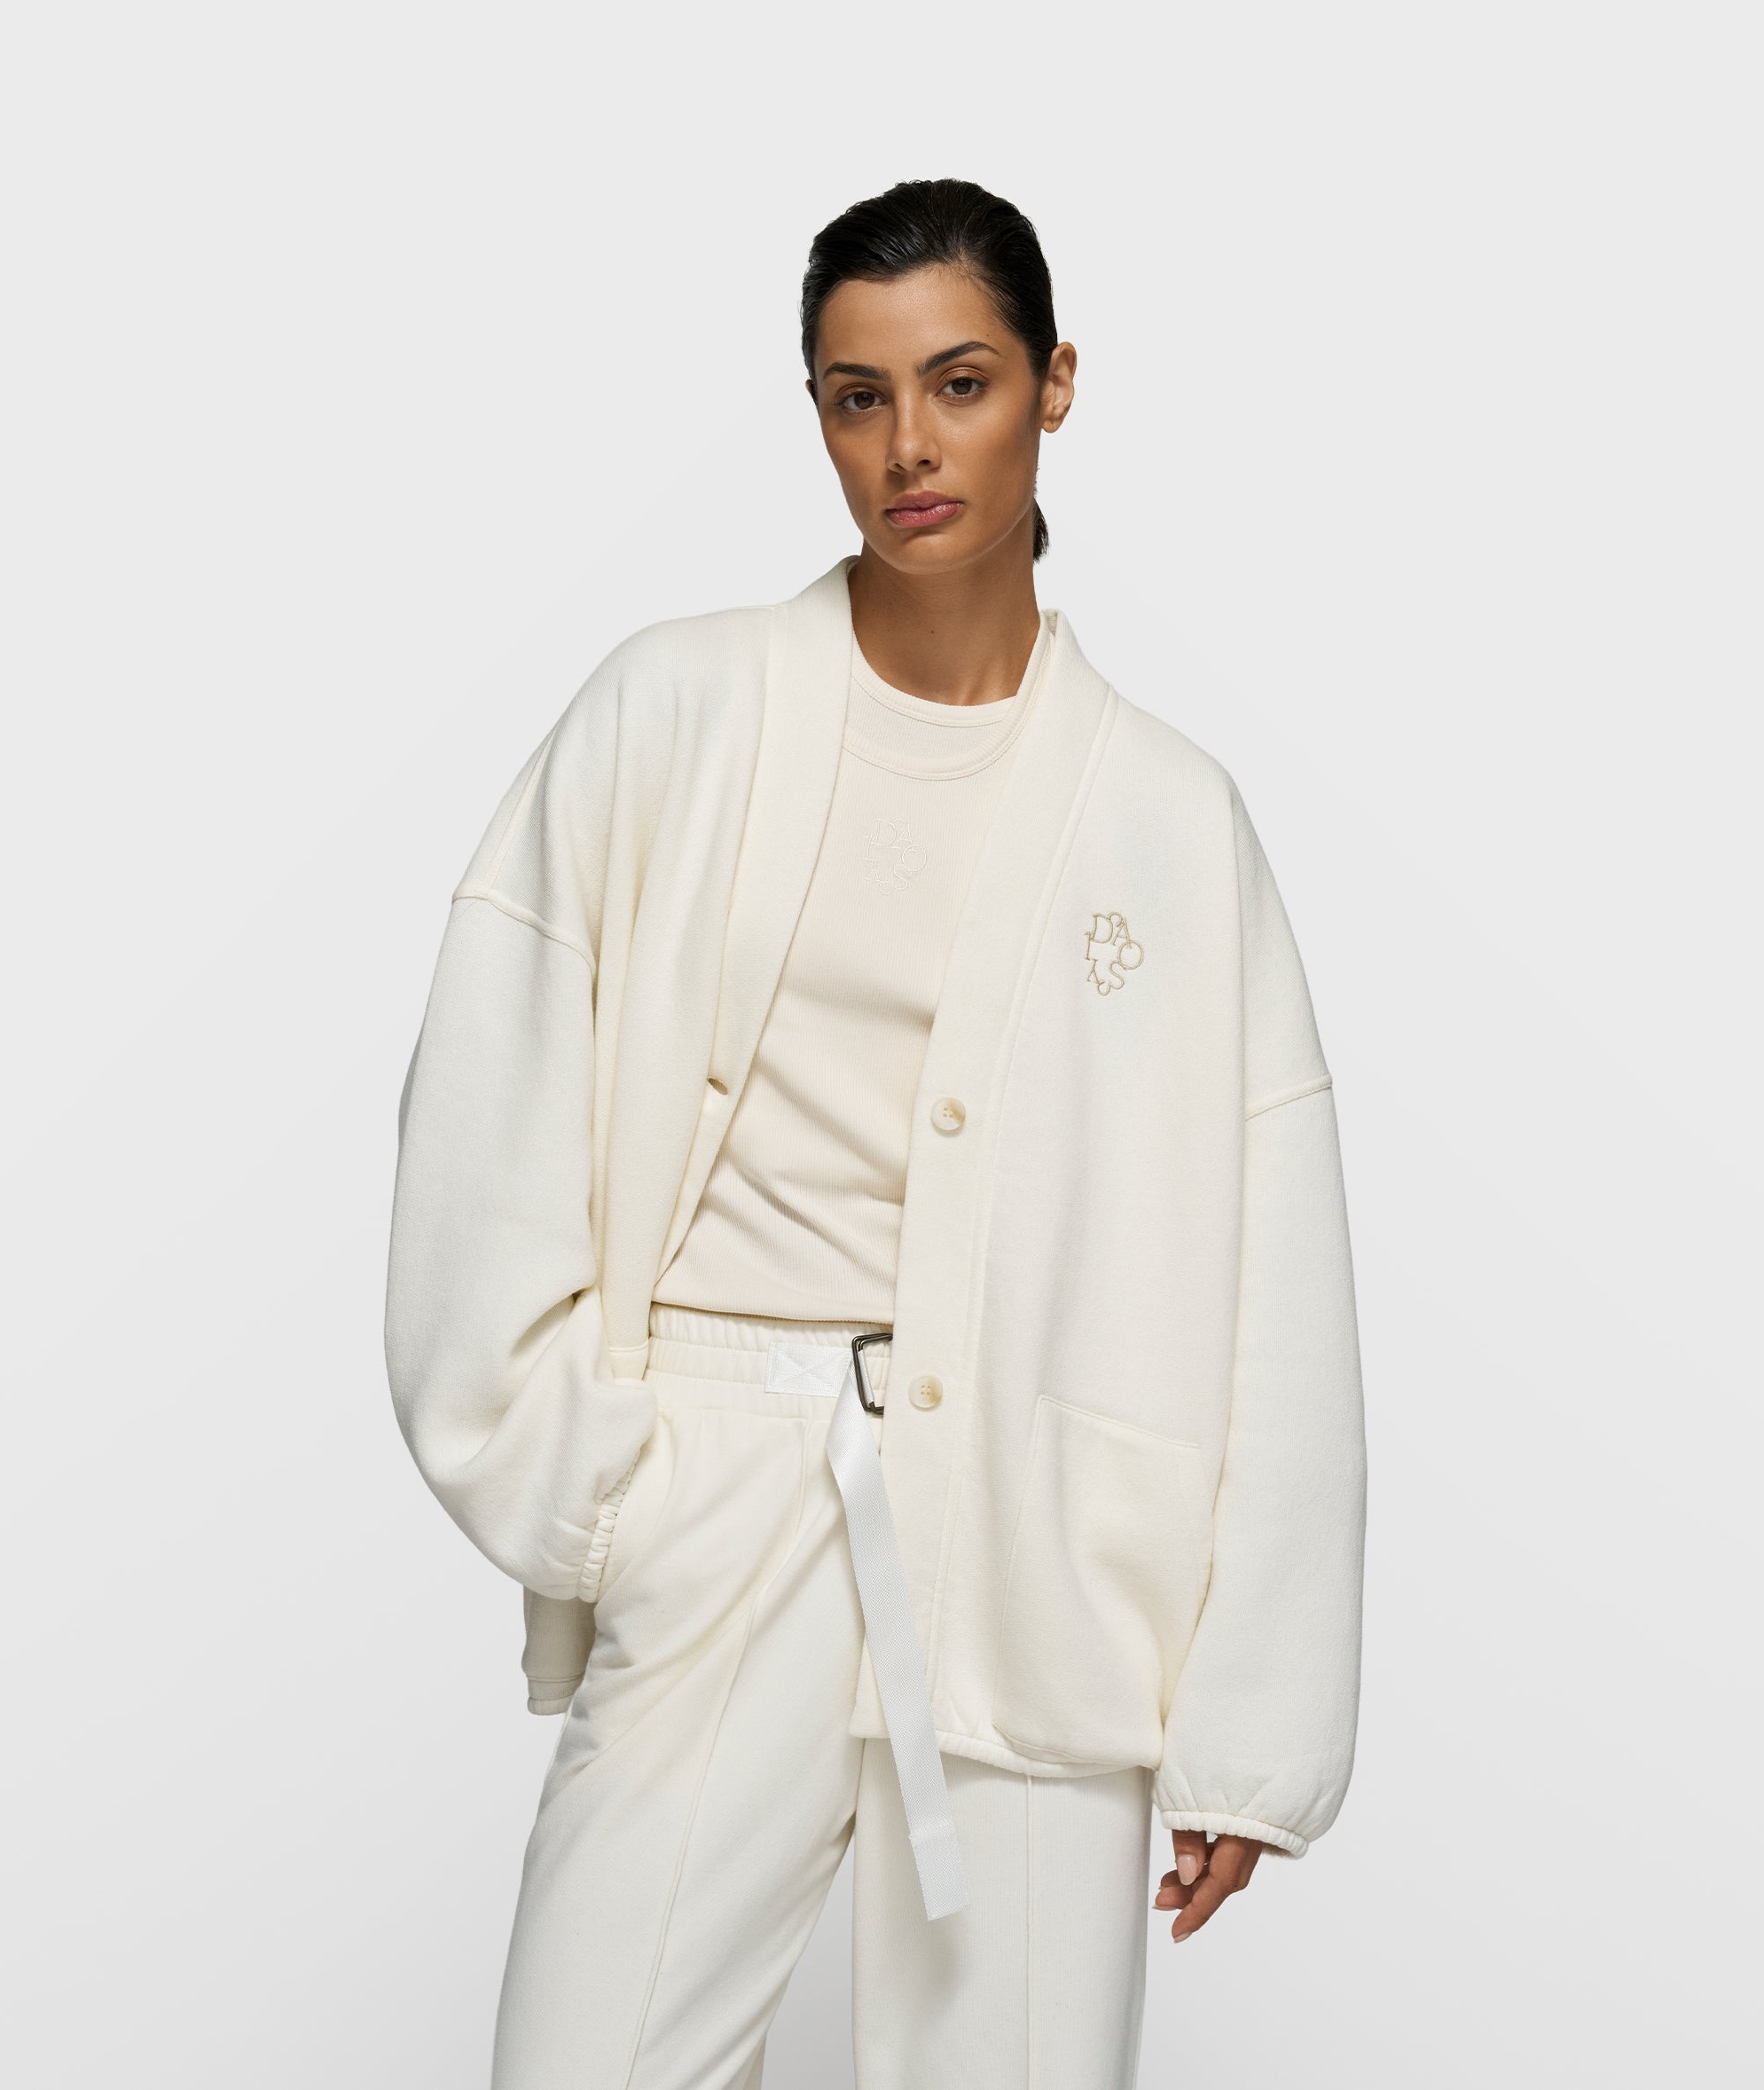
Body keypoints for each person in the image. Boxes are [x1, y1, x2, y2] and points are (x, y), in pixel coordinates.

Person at [385, 177, 1367, 2090]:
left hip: (1040, 1542)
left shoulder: (1171, 817)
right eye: (858, 396)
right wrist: (612, 1496)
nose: (909, 444)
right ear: (820, 416)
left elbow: (1278, 1273)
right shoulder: (674, 710)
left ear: (1055, 384)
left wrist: (1251, 1721)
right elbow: (485, 1112)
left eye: (960, 381)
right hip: (724, 1488)